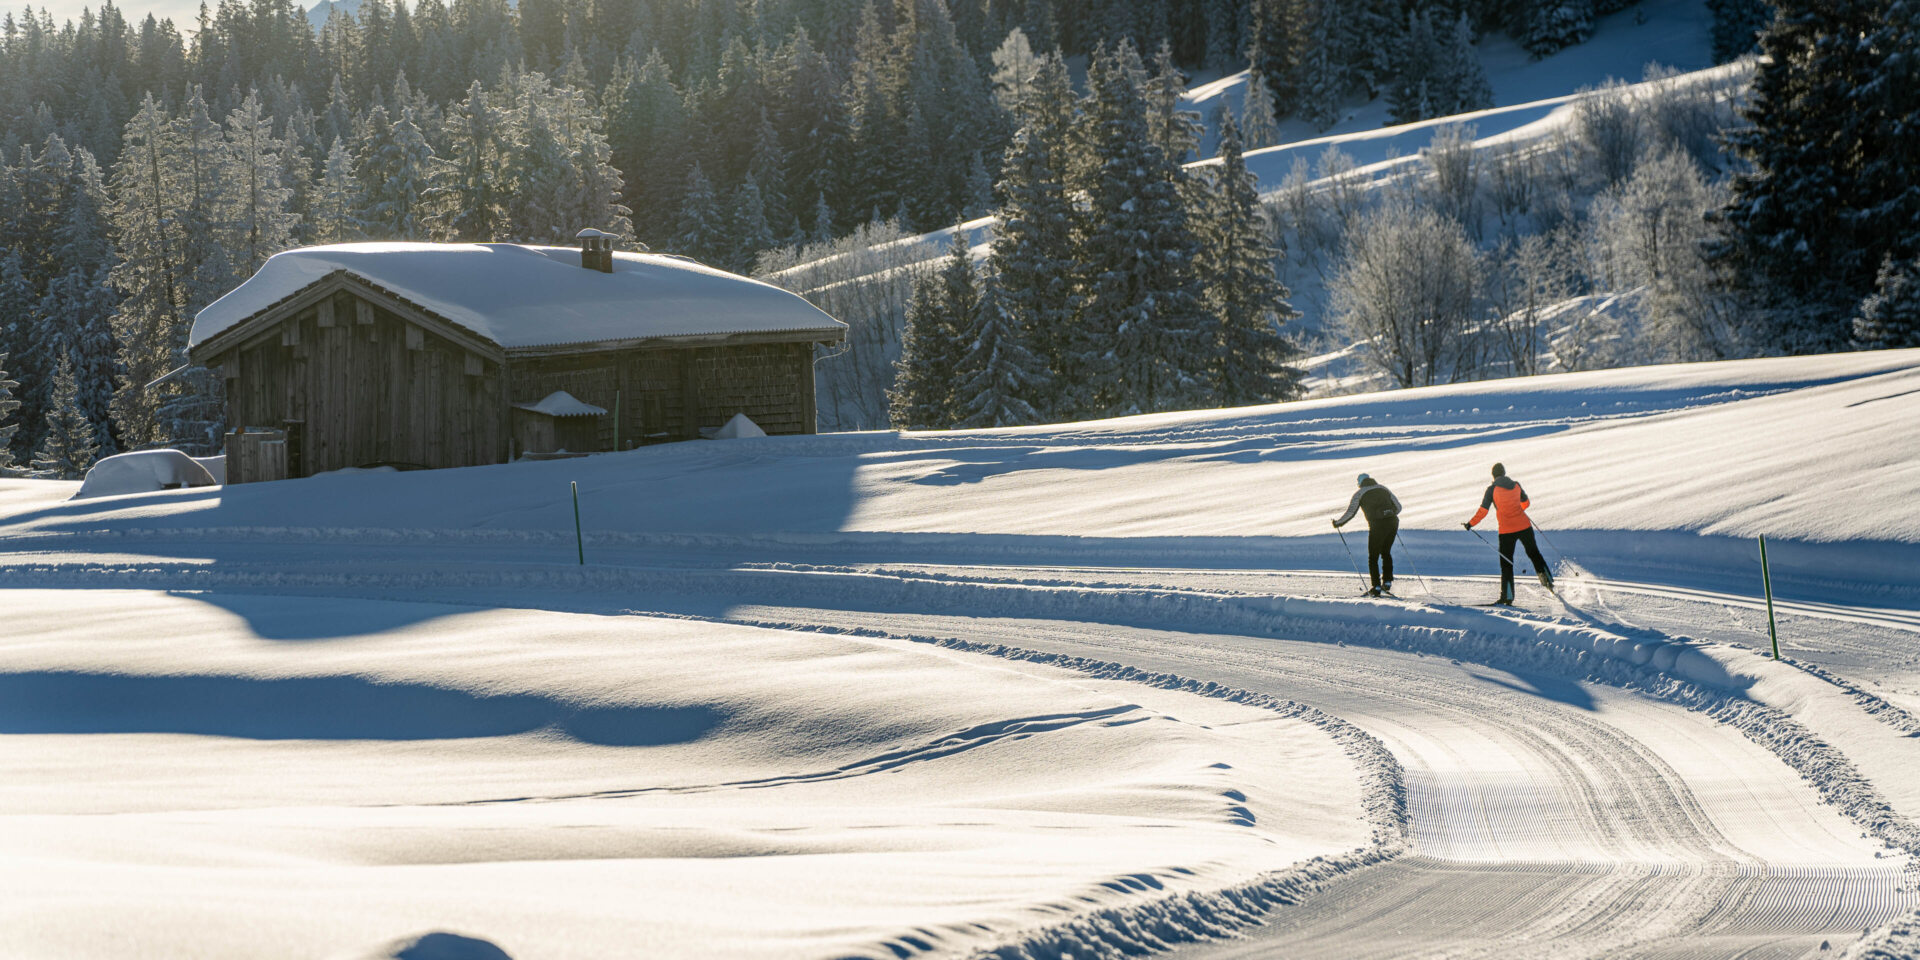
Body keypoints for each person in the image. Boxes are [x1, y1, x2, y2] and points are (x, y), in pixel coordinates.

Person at [1464, 462, 1552, 604]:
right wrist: (1517, 508)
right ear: (1504, 473)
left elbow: (1483, 510)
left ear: (1493, 475)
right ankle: (1547, 580)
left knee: (1506, 563)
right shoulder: (1516, 484)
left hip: (1506, 531)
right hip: (1524, 526)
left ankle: (1507, 596)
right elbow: (1526, 502)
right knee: (1534, 553)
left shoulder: (1491, 489)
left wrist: (1470, 524)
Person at [1333, 473, 1402, 596]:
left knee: (1373, 557)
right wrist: (1389, 515)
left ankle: (1376, 587)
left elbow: (1351, 512)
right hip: (1392, 522)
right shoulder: (1383, 488)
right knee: (1386, 552)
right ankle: (1387, 583)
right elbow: (1398, 507)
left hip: (1377, 525)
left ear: (1360, 483)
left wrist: (1338, 523)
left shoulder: (1359, 494)